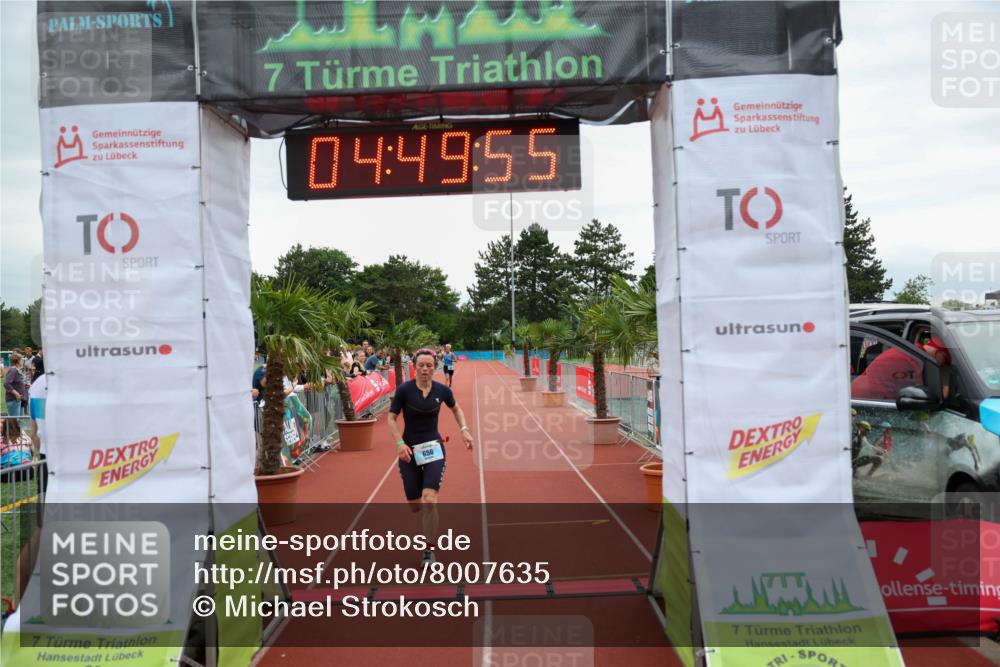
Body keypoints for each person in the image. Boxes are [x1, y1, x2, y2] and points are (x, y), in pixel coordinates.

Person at [388, 348, 474, 565]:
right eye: (421, 366)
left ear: (435, 367)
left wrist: (464, 429)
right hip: (409, 452)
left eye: (429, 366)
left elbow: (457, 410)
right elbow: (391, 419)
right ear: (414, 367)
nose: (425, 369)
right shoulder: (404, 390)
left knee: (429, 500)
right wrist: (399, 443)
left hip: (434, 449)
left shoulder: (442, 391)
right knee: (415, 505)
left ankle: (428, 549)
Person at [4, 352, 27, 417]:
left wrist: (23, 385)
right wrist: (16, 393)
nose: (22, 361)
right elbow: (6, 383)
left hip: (18, 400)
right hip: (13, 400)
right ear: (17, 361)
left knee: (19, 422)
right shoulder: (13, 370)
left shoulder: (17, 370)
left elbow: (15, 382)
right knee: (14, 422)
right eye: (21, 359)